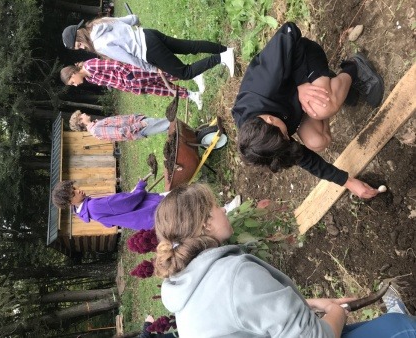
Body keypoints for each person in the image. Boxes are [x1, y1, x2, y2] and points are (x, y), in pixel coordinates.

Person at [154, 183, 416, 338]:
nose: (223, 208)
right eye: (215, 206)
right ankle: (397, 321)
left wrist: (307, 304)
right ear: (205, 223)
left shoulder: (185, 287)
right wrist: (339, 310)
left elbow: (248, 313)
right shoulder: (234, 277)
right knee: (400, 328)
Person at [232, 22, 385, 199]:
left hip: (302, 60)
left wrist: (301, 83)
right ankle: (331, 87)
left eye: (284, 134)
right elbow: (301, 157)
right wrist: (348, 182)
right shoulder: (260, 143)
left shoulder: (265, 84)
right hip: (292, 107)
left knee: (323, 107)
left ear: (269, 119)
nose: (288, 137)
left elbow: (289, 30)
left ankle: (355, 68)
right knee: (318, 141)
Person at [62, 15, 235, 82]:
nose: (82, 47)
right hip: (148, 34)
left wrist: (152, 68)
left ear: (79, 35)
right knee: (189, 47)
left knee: (185, 73)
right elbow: (132, 18)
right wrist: (134, 30)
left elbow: (130, 58)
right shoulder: (100, 23)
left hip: (148, 50)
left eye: (79, 44)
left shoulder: (99, 44)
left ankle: (223, 58)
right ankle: (226, 49)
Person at [60, 58, 203, 110]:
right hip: (134, 85)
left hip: (134, 74)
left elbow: (114, 64)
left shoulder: (91, 65)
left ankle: (194, 74)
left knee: (165, 74)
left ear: (73, 74)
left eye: (72, 82)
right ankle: (192, 95)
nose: (76, 85)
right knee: (163, 89)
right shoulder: (90, 79)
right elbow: (113, 81)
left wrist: (129, 76)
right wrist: (131, 87)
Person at [52, 178, 163, 230]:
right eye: (73, 193)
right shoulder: (93, 206)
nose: (78, 191)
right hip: (155, 211)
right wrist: (139, 187)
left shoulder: (88, 212)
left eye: (74, 189)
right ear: (70, 202)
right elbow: (127, 203)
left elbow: (109, 224)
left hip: (149, 220)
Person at [69, 110, 170, 141]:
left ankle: (184, 133)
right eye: (81, 115)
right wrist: (140, 124)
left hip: (138, 122)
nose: (83, 114)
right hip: (139, 128)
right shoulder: (96, 130)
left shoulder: (96, 124)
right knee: (168, 123)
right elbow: (120, 133)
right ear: (80, 121)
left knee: (167, 127)